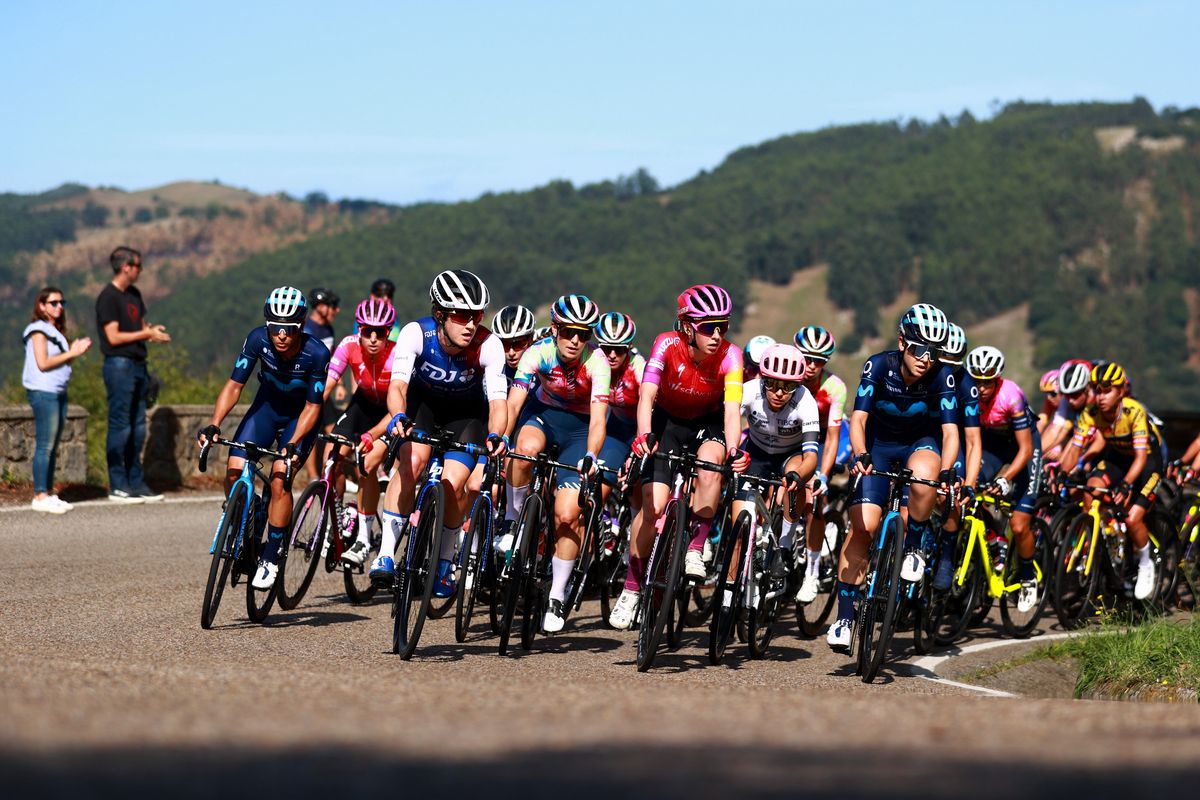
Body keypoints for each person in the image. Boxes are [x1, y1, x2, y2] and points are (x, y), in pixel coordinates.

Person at [609, 284, 748, 630]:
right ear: (687, 326)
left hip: (708, 424)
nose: (717, 335)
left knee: (712, 470)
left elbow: (732, 412)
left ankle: (696, 547)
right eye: (707, 327)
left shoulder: (732, 356)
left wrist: (733, 449)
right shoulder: (666, 345)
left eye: (723, 326)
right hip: (667, 422)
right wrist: (643, 435)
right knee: (652, 505)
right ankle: (631, 588)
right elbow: (646, 397)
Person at [371, 269, 509, 597]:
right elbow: (398, 386)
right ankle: (386, 553)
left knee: (454, 485)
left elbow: (499, 403)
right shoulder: (416, 333)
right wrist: (398, 416)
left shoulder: (489, 345)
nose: (471, 324)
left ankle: (444, 562)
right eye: (461, 316)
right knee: (412, 464)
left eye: (476, 315)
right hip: (422, 409)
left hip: (466, 417)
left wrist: (496, 435)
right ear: (440, 314)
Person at [834, 303, 959, 651]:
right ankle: (844, 617)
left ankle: (914, 547)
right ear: (902, 343)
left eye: (934, 352)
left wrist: (948, 471)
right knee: (864, 527)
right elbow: (857, 420)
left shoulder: (941, 376)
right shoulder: (878, 365)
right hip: (878, 444)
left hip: (920, 444)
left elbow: (950, 433)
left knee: (925, 477)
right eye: (919, 349)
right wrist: (860, 455)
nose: (926, 359)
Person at [197, 286, 330, 590]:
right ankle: (255, 510)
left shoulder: (317, 353)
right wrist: (214, 424)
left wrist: (295, 443)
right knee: (233, 472)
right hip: (266, 409)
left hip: (300, 417)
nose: (281, 335)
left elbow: (313, 406)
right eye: (275, 327)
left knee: (280, 478)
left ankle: (272, 553)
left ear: (301, 325)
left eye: (289, 328)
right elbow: (234, 386)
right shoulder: (258, 339)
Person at [503, 295, 610, 632]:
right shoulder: (538, 353)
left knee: (567, 515)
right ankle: (511, 521)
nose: (575, 340)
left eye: (583, 333)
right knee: (523, 449)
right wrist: (501, 437)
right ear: (554, 329)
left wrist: (592, 454)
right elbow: (515, 400)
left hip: (579, 432)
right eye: (567, 332)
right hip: (544, 418)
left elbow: (598, 420)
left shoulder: (598, 363)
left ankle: (557, 595)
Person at [1057, 362, 1164, 600]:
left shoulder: (1133, 411)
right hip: (1117, 456)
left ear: (1121, 392)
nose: (1101, 396)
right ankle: (1101, 540)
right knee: (1089, 491)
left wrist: (1126, 484)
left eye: (1107, 391)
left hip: (1147, 461)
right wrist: (1063, 473)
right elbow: (1075, 447)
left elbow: (1140, 458)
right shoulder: (1091, 412)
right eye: (1097, 390)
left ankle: (1146, 562)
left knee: (1132, 516)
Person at [326, 297, 399, 567]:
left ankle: (364, 539)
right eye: (366, 330)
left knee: (366, 464)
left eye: (379, 332)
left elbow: (400, 407)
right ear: (359, 329)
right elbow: (327, 386)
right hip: (363, 405)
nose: (372, 338)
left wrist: (372, 436)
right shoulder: (348, 346)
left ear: (388, 333)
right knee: (332, 457)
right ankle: (334, 520)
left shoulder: (397, 354)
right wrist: (306, 419)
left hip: (390, 413)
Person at [96, 246, 170, 503]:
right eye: (138, 265)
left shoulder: (134, 294)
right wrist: (146, 334)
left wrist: (152, 331)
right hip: (118, 365)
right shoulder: (108, 297)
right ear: (125, 266)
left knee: (138, 428)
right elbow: (113, 337)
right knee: (120, 426)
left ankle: (135, 482)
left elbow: (139, 328)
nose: (141, 270)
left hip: (138, 365)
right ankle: (118, 484)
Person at [22, 287, 92, 513]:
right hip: (44, 392)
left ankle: (48, 493)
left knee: (52, 444)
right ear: (41, 306)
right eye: (53, 303)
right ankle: (40, 495)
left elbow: (61, 362)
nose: (59, 306)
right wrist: (72, 352)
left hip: (58, 391)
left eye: (62, 302)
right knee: (45, 444)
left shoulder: (56, 331)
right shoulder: (38, 330)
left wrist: (72, 352)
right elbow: (42, 362)